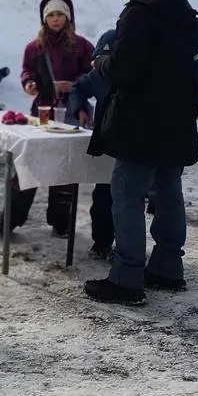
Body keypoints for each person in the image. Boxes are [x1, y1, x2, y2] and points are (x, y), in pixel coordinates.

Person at [84, 0, 198, 306]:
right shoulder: (182, 9)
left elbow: (122, 69)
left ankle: (126, 277)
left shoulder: (138, 13)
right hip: (177, 117)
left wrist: (101, 62)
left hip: (141, 121)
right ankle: (167, 267)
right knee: (168, 191)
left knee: (127, 194)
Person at [9, 0, 95, 237]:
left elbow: (94, 75)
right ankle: (11, 219)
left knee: (65, 168)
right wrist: (29, 84)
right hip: (42, 113)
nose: (55, 19)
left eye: (60, 14)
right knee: (29, 163)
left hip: (70, 112)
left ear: (68, 17)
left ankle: (61, 222)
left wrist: (76, 84)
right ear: (44, 19)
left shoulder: (82, 46)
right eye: (51, 15)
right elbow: (27, 72)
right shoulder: (33, 48)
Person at [63, 29, 120, 259]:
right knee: (104, 198)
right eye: (95, 61)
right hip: (106, 144)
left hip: (131, 145)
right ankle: (102, 242)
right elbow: (78, 88)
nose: (97, 66)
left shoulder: (133, 77)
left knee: (126, 199)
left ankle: (127, 250)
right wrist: (79, 110)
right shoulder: (97, 76)